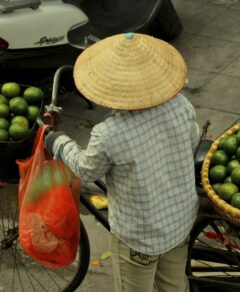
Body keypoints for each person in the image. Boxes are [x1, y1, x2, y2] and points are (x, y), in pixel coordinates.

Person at [45, 32, 200, 292]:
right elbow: (192, 140)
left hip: (140, 236)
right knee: (174, 287)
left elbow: (86, 169)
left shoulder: (110, 134)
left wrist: (59, 143)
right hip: (180, 222)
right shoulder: (181, 105)